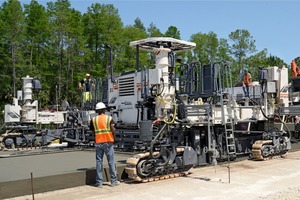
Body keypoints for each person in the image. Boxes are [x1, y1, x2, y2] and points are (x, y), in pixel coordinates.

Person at [90, 102, 120, 188]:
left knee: (99, 162)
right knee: (111, 161)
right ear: (104, 110)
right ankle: (113, 181)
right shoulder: (109, 118)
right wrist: (114, 132)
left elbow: (93, 132)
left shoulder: (93, 120)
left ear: (97, 111)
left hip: (98, 142)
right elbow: (113, 129)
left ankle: (99, 182)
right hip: (108, 142)